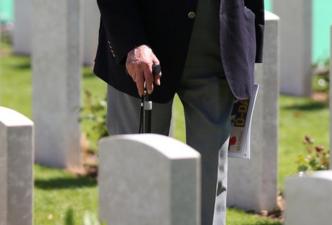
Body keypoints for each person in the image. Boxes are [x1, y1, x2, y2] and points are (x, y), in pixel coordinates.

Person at [94, 0, 264, 224]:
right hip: (145, 53)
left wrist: (249, 43)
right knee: (138, 175)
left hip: (219, 50)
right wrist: (130, 41)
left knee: (211, 178)